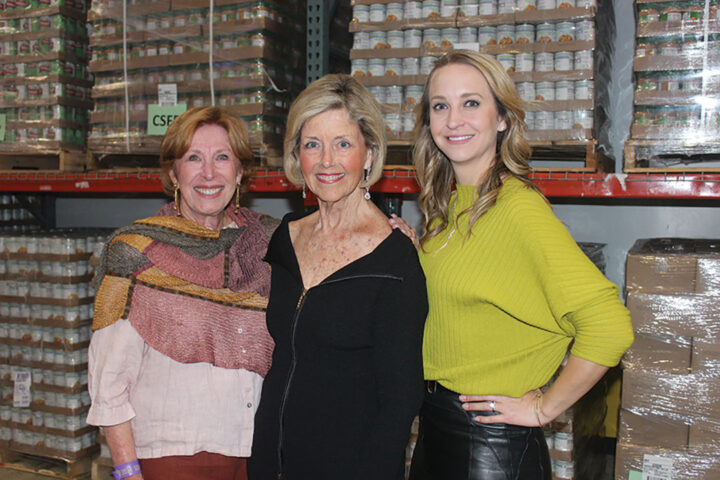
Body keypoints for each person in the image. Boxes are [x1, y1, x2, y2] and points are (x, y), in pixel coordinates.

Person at [403, 50, 634, 480]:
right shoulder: (444, 209)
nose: (454, 120)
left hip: (489, 446)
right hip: (435, 429)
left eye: (471, 103)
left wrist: (544, 406)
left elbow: (609, 325)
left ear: (503, 119)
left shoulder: (518, 210)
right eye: (440, 106)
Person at [248, 74, 427, 480]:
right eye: (313, 145)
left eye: (342, 144)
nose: (326, 161)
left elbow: (400, 402)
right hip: (268, 462)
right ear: (298, 155)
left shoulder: (395, 260)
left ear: (369, 154)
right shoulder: (286, 236)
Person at [87, 106, 278, 480]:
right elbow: (109, 380)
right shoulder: (136, 251)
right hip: (169, 459)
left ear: (240, 172)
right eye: (194, 158)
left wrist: (389, 230)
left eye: (222, 157)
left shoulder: (266, 247)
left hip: (253, 454)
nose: (209, 173)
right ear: (174, 173)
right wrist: (127, 472)